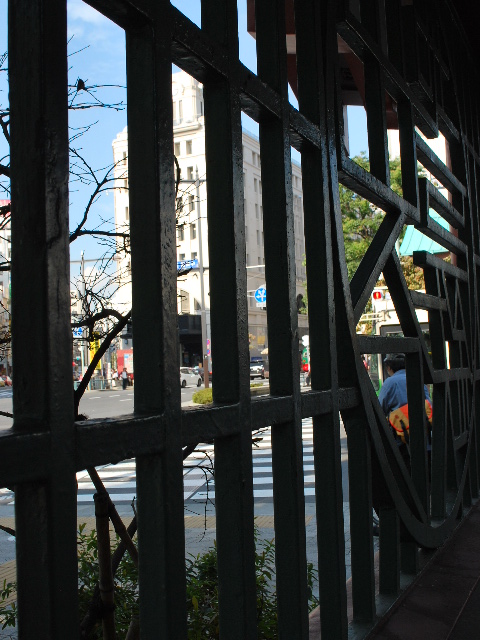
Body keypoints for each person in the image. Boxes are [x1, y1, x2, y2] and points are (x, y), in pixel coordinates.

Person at [378, 353, 432, 443]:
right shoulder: (418, 379)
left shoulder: (389, 383)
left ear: (389, 368)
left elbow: (380, 410)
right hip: (423, 434)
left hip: (402, 438)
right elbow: (428, 403)